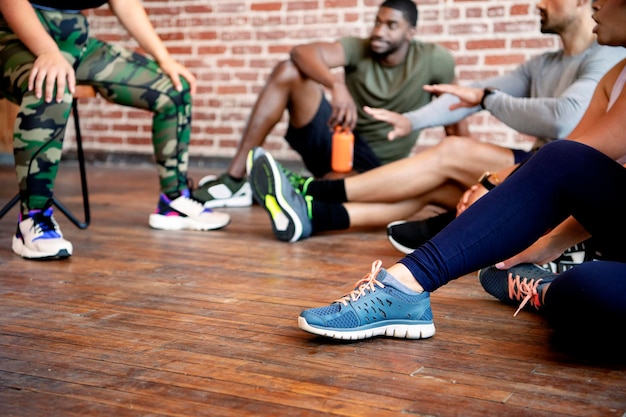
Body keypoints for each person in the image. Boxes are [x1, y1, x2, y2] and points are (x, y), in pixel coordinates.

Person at [295, 0, 626, 341]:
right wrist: (550, 242)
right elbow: (580, 162)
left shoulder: (601, 60)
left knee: (583, 291)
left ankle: (314, 198)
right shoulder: (605, 73)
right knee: (582, 289)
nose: (598, 4)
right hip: (580, 203)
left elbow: (567, 133)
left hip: (553, 185)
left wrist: (493, 161)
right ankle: (322, 214)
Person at [246, 0, 626, 244]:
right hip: (541, 168)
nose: (538, 4)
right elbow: (466, 97)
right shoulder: (542, 64)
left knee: (452, 150)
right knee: (435, 186)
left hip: (559, 178)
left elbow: (562, 123)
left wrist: (487, 106)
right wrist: (412, 121)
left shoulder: (605, 60)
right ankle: (312, 216)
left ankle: (311, 190)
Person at [0, 0, 230, 260]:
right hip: (14, 37)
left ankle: (173, 202)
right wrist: (47, 51)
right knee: (53, 86)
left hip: (76, 41)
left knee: (174, 89)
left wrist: (164, 59)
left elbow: (126, 4)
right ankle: (33, 218)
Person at [192, 0, 465, 209]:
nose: (379, 32)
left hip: (377, 165)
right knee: (288, 70)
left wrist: (473, 180)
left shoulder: (434, 60)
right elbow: (301, 53)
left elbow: (454, 119)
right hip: (339, 140)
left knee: (325, 195)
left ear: (410, 33)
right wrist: (336, 84)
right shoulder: (359, 47)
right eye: (377, 22)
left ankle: (278, 184)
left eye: (391, 25)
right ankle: (235, 178)